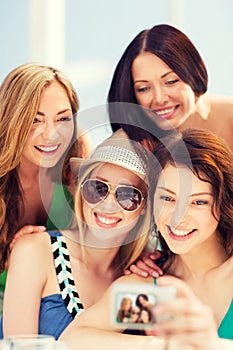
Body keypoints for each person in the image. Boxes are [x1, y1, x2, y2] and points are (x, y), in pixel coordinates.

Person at [59, 128, 233, 350]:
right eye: (167, 198)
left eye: (198, 202)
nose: (178, 216)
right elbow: (72, 339)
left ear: (224, 203)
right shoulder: (149, 290)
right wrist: (163, 345)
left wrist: (211, 345)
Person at [0, 128, 151, 339]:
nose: (108, 204)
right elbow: (17, 346)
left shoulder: (139, 278)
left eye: (128, 195)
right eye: (97, 188)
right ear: (81, 189)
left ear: (144, 206)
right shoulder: (34, 251)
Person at [0, 63, 91, 313]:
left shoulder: (78, 153)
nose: (51, 134)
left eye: (63, 118)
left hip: (57, 309)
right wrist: (11, 259)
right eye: (34, 120)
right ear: (11, 120)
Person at [108, 24, 233, 152]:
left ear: (194, 74)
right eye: (144, 88)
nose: (159, 99)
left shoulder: (229, 116)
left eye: (170, 81)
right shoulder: (129, 146)